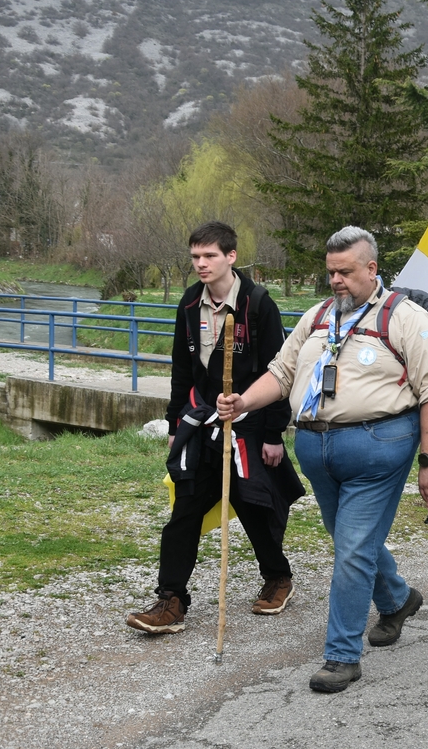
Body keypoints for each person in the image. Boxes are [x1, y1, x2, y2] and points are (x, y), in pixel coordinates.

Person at [216, 226, 428, 694]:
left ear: (372, 269)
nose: (336, 281)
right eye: (330, 273)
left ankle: (342, 656)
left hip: (379, 450)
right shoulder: (318, 316)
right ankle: (397, 600)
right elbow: (281, 373)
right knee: (349, 540)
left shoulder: (406, 319)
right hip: (317, 451)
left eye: (345, 272)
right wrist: (243, 402)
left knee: (350, 549)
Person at [127, 222, 302, 636]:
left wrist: (275, 433)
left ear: (231, 257)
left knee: (253, 503)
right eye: (195, 257)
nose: (201, 264)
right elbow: (181, 369)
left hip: (251, 424)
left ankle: (278, 577)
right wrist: (175, 424)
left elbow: (282, 372)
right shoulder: (190, 303)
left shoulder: (258, 304)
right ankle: (171, 600)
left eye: (209, 256)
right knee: (185, 507)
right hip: (203, 423)